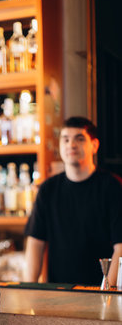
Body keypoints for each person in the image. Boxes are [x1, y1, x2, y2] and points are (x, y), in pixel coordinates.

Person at [25, 116, 122, 286]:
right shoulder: (48, 189)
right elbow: (35, 242)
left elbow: (120, 247)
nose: (71, 145)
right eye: (66, 139)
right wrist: (29, 290)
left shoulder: (112, 187)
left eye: (79, 139)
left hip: (98, 291)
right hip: (58, 292)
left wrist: (108, 291)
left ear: (94, 145)